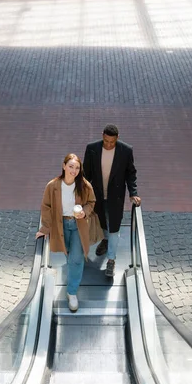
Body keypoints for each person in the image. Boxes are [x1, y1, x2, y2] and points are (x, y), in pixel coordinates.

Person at [36, 153, 96, 312]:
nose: (74, 170)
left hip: (78, 224)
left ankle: (72, 292)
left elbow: (91, 202)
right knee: (68, 254)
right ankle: (71, 274)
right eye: (71, 166)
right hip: (60, 226)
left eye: (77, 168)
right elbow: (46, 207)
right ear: (63, 166)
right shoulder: (53, 186)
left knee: (76, 259)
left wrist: (84, 211)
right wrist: (45, 229)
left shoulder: (84, 185)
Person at [83, 124, 141, 277]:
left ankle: (111, 260)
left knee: (114, 227)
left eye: (112, 142)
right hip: (97, 195)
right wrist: (80, 193)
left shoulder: (126, 150)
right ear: (102, 135)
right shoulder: (92, 148)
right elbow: (86, 174)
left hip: (116, 197)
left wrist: (133, 192)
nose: (109, 144)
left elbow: (131, 173)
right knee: (102, 222)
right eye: (106, 141)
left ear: (117, 138)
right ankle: (105, 240)